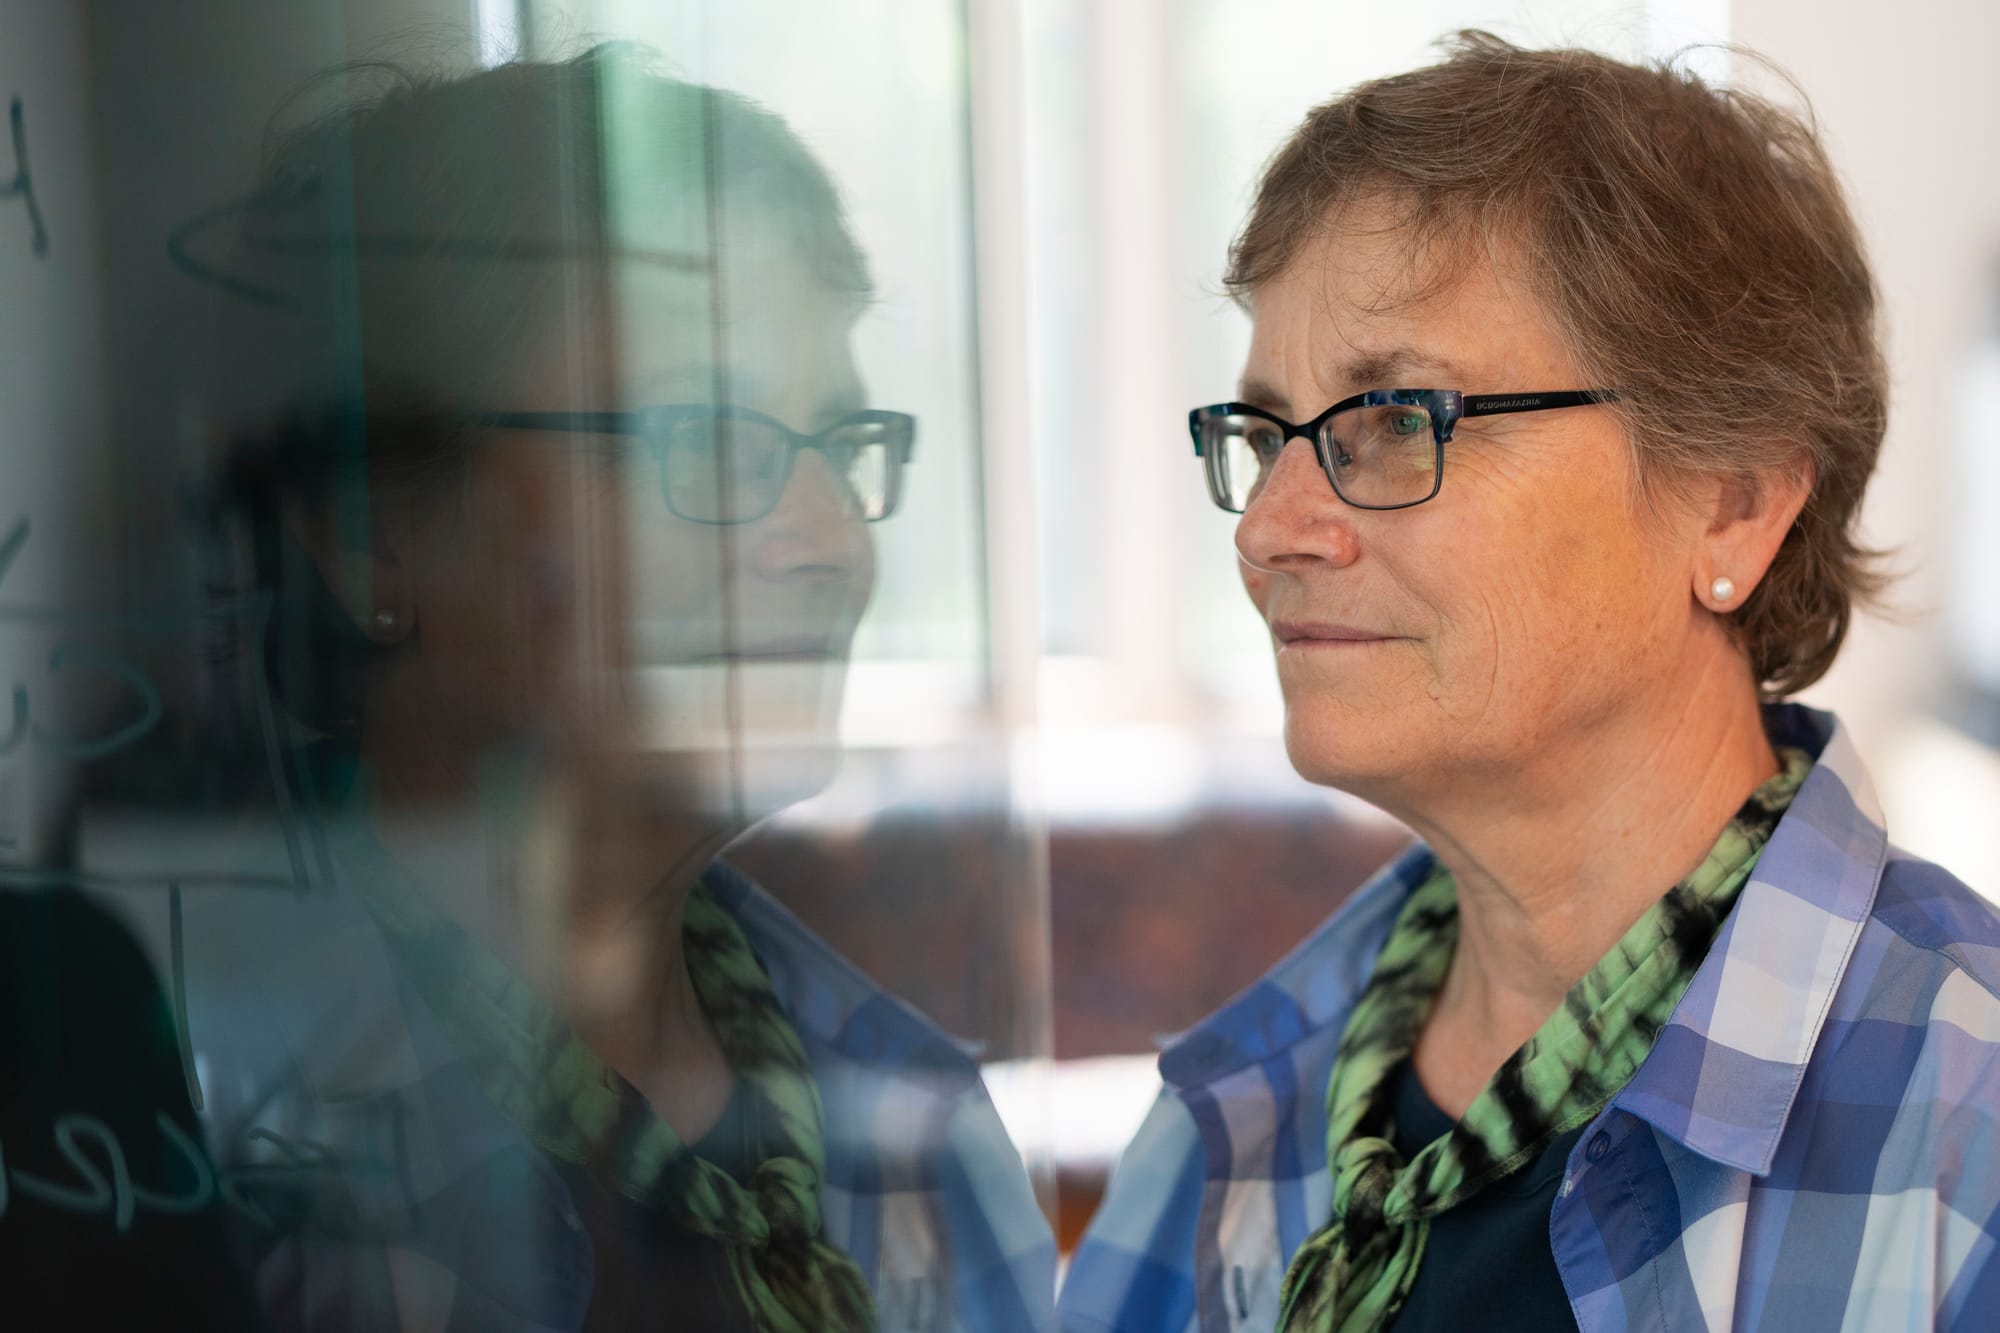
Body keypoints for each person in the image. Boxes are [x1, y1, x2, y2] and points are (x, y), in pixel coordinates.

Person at [1060, 31, 2000, 1333]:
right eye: (1267, 432)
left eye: (1396, 416)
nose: (1270, 527)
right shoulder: (1239, 1108)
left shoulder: (1969, 1130)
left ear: (1732, 502)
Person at [174, 46, 1051, 1332]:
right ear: (374, 530)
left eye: (841, 444)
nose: (829, 540)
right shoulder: (192, 1101)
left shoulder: (911, 1126)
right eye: (706, 438)